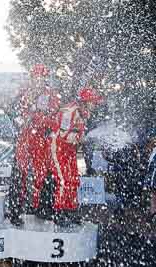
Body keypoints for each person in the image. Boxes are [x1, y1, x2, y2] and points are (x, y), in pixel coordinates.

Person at [50, 87, 103, 225]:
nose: (95, 106)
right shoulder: (70, 112)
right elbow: (62, 134)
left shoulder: (84, 113)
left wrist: (79, 138)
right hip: (59, 147)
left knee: (73, 178)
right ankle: (58, 212)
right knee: (63, 180)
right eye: (93, 103)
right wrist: (78, 137)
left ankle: (70, 209)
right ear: (85, 102)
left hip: (70, 149)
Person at [15, 64, 61, 222]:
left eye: (42, 77)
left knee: (42, 173)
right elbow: (19, 113)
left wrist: (39, 119)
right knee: (20, 172)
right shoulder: (25, 93)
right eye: (36, 77)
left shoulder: (51, 95)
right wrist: (29, 112)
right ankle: (17, 208)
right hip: (26, 137)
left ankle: (40, 206)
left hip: (41, 139)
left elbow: (53, 118)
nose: (39, 80)